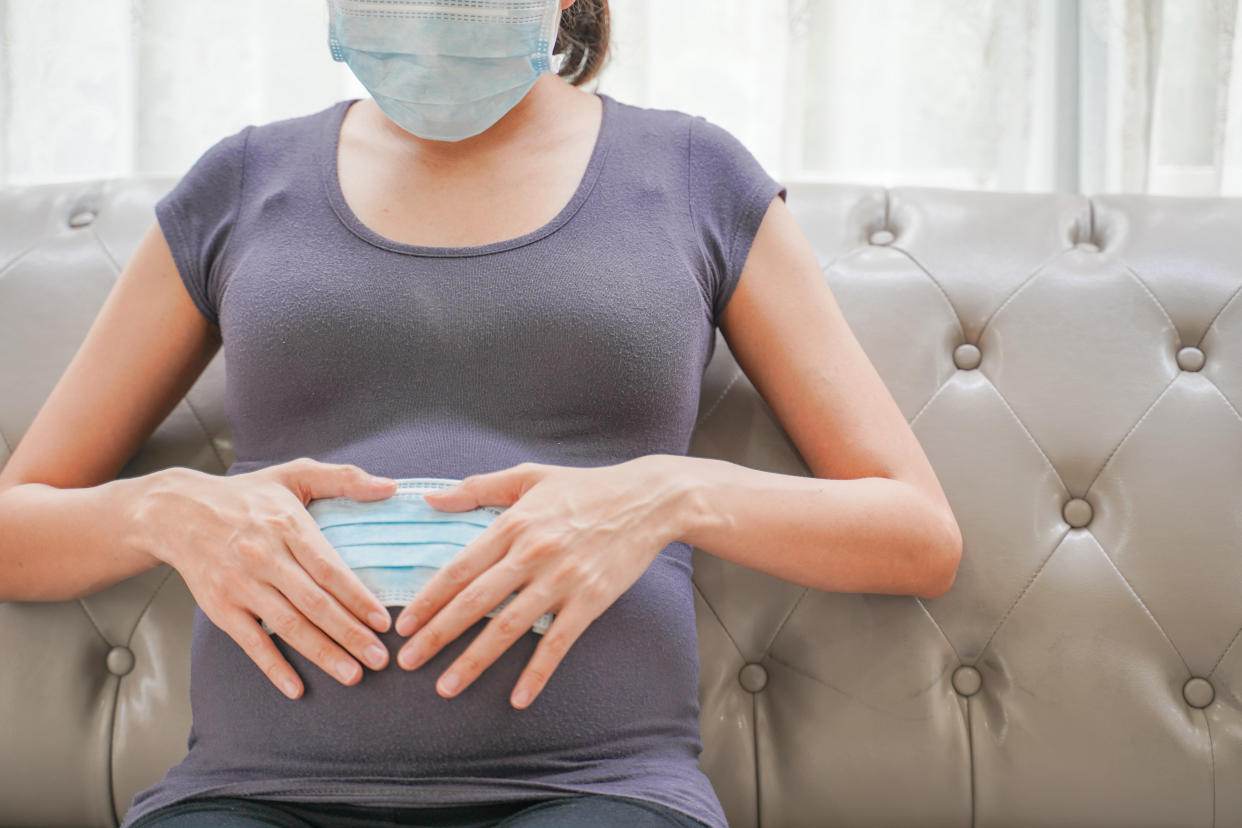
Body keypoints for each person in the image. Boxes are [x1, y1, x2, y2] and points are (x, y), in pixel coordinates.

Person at [0, 1, 964, 826]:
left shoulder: (694, 175)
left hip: (598, 791)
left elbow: (916, 533)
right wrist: (164, 510)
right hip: (250, 793)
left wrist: (671, 494)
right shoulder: (244, 182)